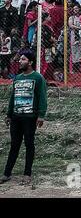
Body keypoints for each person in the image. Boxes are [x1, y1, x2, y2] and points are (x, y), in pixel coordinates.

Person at [1, 51, 47, 185]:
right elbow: (12, 98)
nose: (20, 61)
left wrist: (41, 115)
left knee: (29, 144)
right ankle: (7, 173)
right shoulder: (17, 78)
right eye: (20, 59)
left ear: (30, 62)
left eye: (23, 59)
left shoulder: (38, 78)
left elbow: (42, 98)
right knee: (14, 145)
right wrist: (9, 114)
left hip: (30, 117)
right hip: (16, 117)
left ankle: (27, 174)